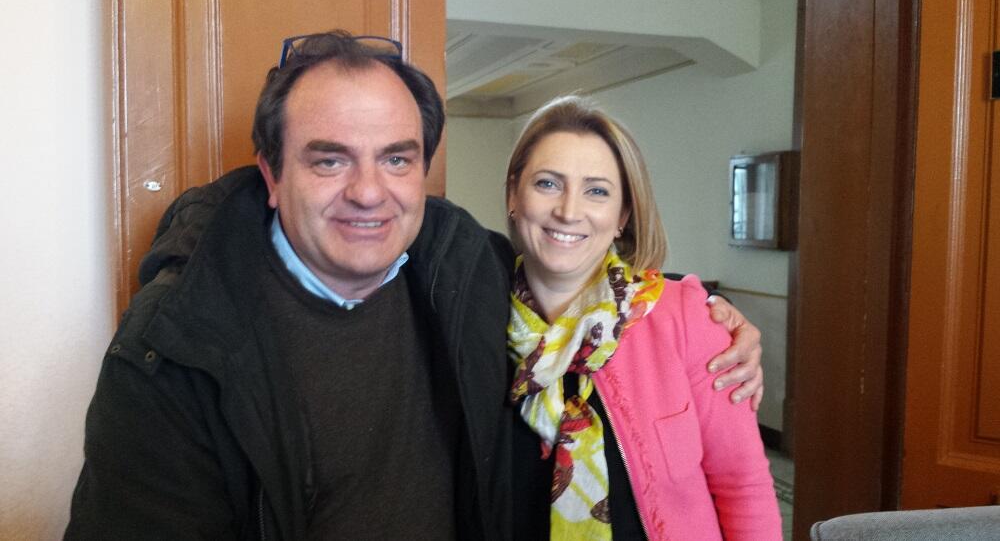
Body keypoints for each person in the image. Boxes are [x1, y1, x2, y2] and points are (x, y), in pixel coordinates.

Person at [66, 32, 764, 540]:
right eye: (330, 160)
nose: (369, 192)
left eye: (397, 160)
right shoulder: (174, 352)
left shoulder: (465, 271)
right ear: (272, 175)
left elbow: (589, 288)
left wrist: (705, 312)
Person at [505, 96, 782, 540]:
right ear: (514, 195)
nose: (569, 211)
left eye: (597, 191)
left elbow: (742, 486)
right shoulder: (475, 317)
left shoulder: (687, 319)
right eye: (548, 184)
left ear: (623, 215)